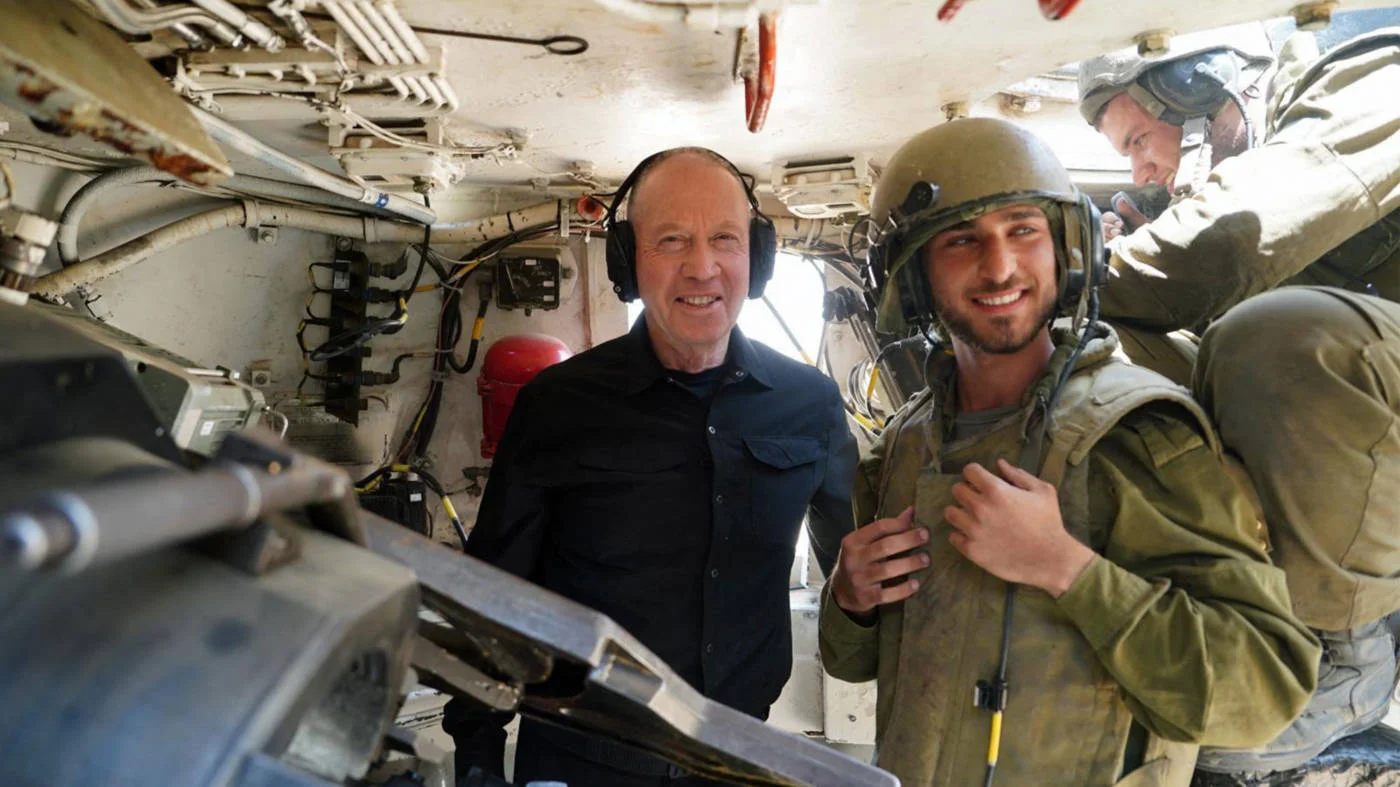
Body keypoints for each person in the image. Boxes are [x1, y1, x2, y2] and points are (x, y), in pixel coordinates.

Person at [817, 118, 1319, 787]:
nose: (999, 266)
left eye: (1022, 230)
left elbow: (1264, 690)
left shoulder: (1138, 435)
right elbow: (857, 663)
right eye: (962, 240)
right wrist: (849, 598)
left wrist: (1067, 568)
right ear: (914, 279)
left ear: (1068, 248)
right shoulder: (904, 448)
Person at [443, 147, 858, 787]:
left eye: (724, 238)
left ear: (759, 256)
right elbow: (496, 595)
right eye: (672, 240)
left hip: (738, 756)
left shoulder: (811, 405)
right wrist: (476, 757)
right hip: (580, 755)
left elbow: (850, 580)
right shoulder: (557, 406)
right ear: (627, 261)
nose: (703, 267)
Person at [1078, 25, 1400, 773]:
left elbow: (1223, 245)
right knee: (1098, 345)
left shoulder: (1371, 82)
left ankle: (1342, 655)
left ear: (1197, 85)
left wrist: (1069, 265)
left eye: (1136, 139)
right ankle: (1228, 625)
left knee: (1282, 337)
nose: (1143, 168)